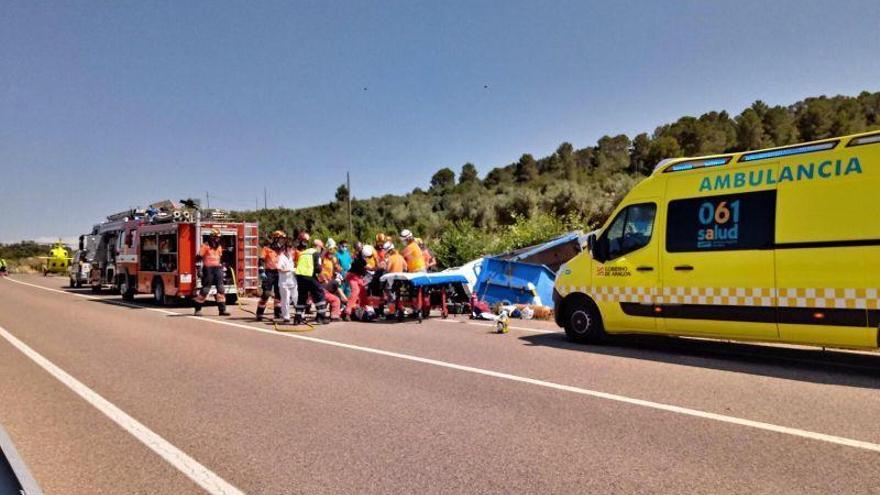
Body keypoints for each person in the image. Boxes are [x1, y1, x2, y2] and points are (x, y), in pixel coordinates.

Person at [294, 231, 329, 325]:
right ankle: (321, 318)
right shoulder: (316, 253)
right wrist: (323, 278)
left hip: (299, 277)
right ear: (318, 247)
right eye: (321, 248)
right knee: (319, 294)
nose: (321, 250)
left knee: (302, 297)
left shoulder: (303, 252)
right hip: (309, 276)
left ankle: (298, 318)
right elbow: (318, 268)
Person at [193, 228, 230, 316]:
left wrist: (223, 266)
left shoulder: (219, 247)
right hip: (208, 269)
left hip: (218, 269)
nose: (218, 239)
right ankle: (197, 309)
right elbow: (198, 258)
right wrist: (198, 269)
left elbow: (220, 258)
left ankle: (222, 310)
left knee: (221, 289)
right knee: (205, 290)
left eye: (219, 237)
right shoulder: (205, 246)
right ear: (212, 237)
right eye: (216, 237)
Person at [256, 230, 285, 321]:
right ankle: (259, 313)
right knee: (266, 293)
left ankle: (278, 313)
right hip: (269, 273)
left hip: (279, 272)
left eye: (283, 239)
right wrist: (261, 271)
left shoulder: (282, 249)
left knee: (279, 294)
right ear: (276, 238)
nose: (282, 241)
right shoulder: (267, 248)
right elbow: (261, 260)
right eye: (281, 239)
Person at [345, 244, 371, 320]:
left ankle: (362, 311)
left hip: (358, 277)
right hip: (353, 277)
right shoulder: (360, 259)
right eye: (367, 257)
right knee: (355, 292)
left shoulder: (362, 257)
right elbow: (363, 266)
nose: (367, 258)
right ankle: (347, 312)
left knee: (363, 293)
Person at [277, 242, 297, 324]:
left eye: (291, 248)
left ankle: (300, 315)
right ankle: (286, 317)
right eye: (289, 247)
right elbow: (279, 269)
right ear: (285, 248)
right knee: (285, 300)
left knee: (296, 298)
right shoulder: (281, 257)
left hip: (292, 281)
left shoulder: (291, 257)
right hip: (284, 283)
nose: (290, 249)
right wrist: (290, 270)